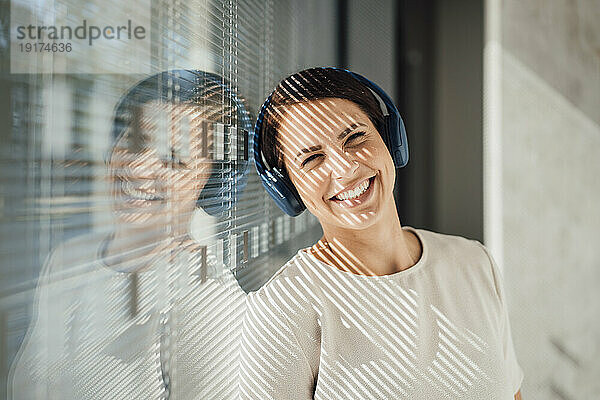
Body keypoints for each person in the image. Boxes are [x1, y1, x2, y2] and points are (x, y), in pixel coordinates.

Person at [240, 67, 524, 399]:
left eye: (355, 137)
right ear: (288, 187)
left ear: (390, 139)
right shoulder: (283, 309)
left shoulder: (474, 263)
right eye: (313, 159)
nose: (345, 169)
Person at [9, 70, 251, 400]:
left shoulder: (207, 298)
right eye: (132, 142)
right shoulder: (69, 257)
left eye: (173, 158)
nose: (137, 169)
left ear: (211, 185)